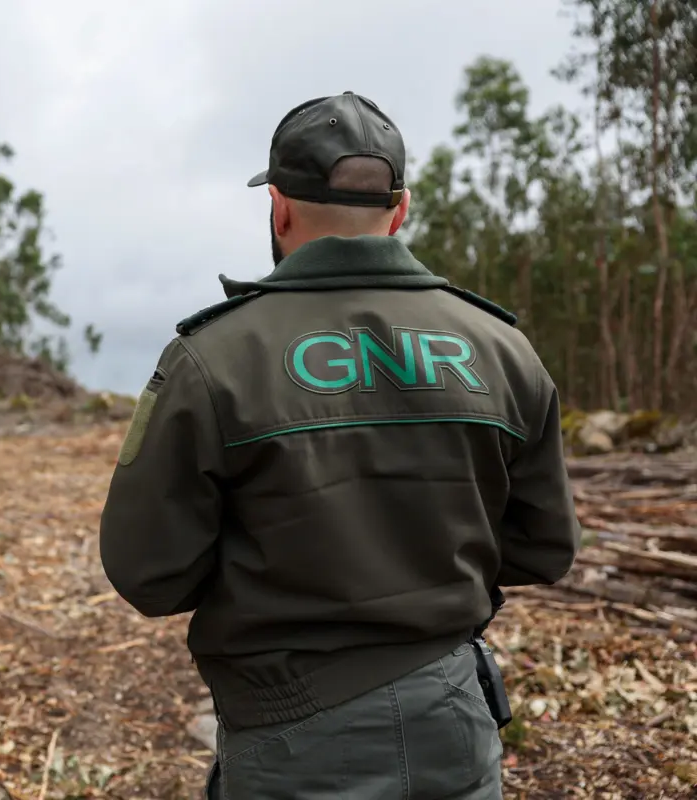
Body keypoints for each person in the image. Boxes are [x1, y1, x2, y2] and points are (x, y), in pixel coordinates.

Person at [98, 92, 581, 799]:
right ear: (401, 209)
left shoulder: (212, 358)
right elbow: (545, 548)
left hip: (292, 732)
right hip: (455, 714)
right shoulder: (502, 348)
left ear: (280, 210)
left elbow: (149, 573)